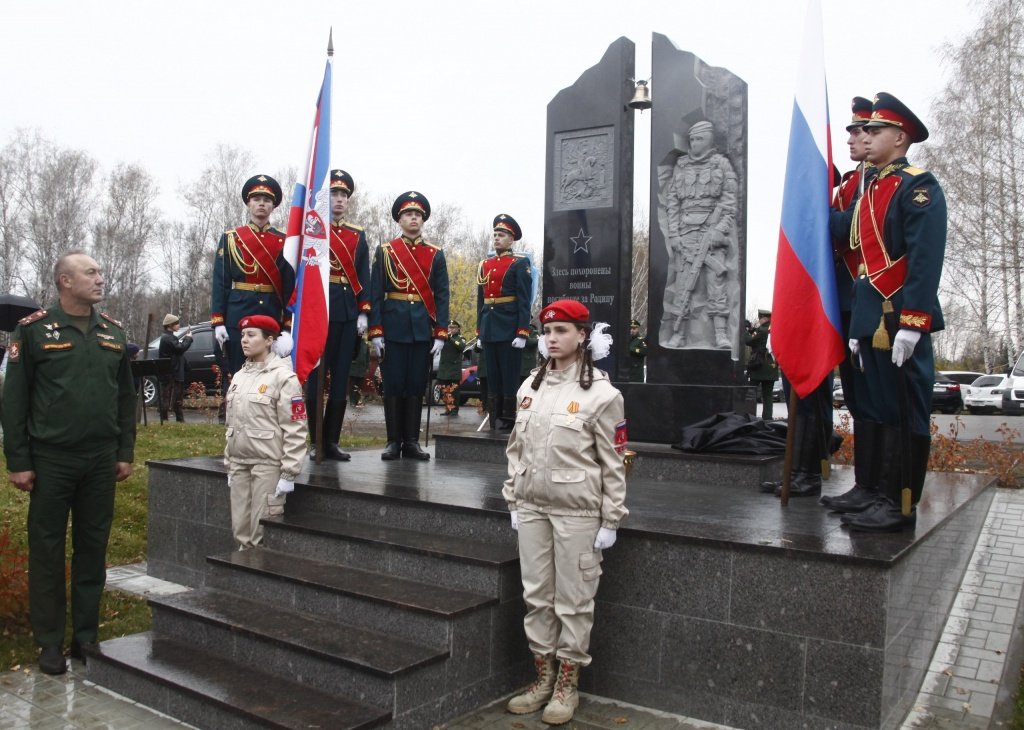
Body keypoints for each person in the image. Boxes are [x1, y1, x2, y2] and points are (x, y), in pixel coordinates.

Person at [2, 251, 136, 675]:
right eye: (91, 272)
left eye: (100, 270)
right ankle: (48, 642)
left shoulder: (113, 333)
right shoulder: (34, 332)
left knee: (92, 548)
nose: (100, 278)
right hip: (52, 459)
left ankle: (85, 637)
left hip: (99, 459)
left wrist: (124, 452)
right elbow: (15, 400)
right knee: (47, 549)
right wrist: (18, 460)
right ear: (65, 280)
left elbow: (124, 399)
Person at [502, 299, 628, 725]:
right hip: (533, 507)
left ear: (582, 337)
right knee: (537, 597)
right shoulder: (529, 388)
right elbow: (515, 450)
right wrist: (513, 498)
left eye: (563, 331)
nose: (553, 339)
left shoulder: (603, 394)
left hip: (577, 514)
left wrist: (611, 518)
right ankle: (542, 678)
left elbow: (614, 461)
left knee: (573, 602)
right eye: (548, 332)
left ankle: (566, 685)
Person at [830, 92, 947, 532]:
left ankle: (900, 503)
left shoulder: (918, 186)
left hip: (900, 316)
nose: (865, 135)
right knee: (876, 407)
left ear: (900, 138)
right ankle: (876, 491)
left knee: (903, 409)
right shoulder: (871, 188)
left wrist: (913, 321)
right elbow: (855, 248)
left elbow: (924, 257)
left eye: (875, 130)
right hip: (871, 316)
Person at [820, 96, 880, 513]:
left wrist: (820, 215)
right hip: (842, 303)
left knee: (875, 402)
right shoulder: (851, 184)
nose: (855, 138)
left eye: (864, 131)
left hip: (871, 305)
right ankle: (866, 486)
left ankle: (879, 489)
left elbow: (848, 226)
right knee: (858, 402)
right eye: (856, 130)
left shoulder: (880, 183)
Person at [368, 191, 449, 460]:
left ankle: (412, 442)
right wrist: (376, 330)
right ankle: (393, 441)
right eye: (408, 214)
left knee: (415, 384)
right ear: (399, 220)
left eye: (417, 214)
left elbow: (441, 295)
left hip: (421, 329)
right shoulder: (386, 251)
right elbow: (376, 293)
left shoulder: (435, 254)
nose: (413, 218)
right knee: (393, 384)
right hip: (392, 327)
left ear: (423, 220)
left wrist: (440, 332)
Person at [223, 315, 307, 549]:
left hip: (267, 466)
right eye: (242, 336)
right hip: (240, 464)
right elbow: (232, 423)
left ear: (269, 340)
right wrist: (229, 462)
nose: (244, 341)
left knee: (260, 534)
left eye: (251, 335)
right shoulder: (239, 376)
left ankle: (257, 579)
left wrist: (289, 472)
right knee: (240, 530)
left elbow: (295, 428)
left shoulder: (284, 378)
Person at [306, 169, 370, 461]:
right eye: (334, 193)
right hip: (319, 310)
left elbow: (364, 276)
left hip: (345, 311)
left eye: (344, 195)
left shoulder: (358, 235)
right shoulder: (313, 229)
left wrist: (363, 311)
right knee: (315, 377)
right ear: (325, 197)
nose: (340, 199)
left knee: (341, 377)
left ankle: (331, 441)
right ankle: (314, 440)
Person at [662, 120, 738, 349]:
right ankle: (679, 333)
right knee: (684, 285)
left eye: (699, 139)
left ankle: (720, 334)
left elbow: (730, 203)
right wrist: (674, 235)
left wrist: (719, 230)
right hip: (686, 234)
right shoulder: (681, 166)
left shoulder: (721, 165)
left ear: (709, 140)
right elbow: (672, 203)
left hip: (712, 234)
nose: (694, 144)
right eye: (692, 140)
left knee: (717, 283)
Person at [211, 174, 295, 377]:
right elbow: (220, 282)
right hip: (237, 313)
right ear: (248, 203)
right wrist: (218, 321)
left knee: (268, 374)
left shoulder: (284, 242)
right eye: (257, 199)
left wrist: (287, 326)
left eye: (267, 200)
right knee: (236, 374)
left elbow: (289, 287)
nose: (262, 204)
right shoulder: (232, 238)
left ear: (273, 206)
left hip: (270, 312)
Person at [477, 214, 532, 430]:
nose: (497, 238)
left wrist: (522, 331)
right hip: (490, 326)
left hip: (509, 327)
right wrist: (479, 331)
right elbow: (481, 300)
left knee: (509, 375)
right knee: (493, 375)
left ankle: (508, 419)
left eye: (502, 235)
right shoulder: (485, 264)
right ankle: (494, 417)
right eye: (495, 235)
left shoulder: (519, 263)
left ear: (512, 239)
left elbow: (524, 300)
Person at [157, 313, 193, 423]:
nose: (178, 325)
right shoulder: (168, 338)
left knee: (177, 397)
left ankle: (178, 420)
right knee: (167, 397)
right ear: (170, 325)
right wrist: (188, 338)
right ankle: (165, 420)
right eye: (176, 323)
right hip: (171, 373)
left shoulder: (170, 337)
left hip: (174, 372)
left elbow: (178, 352)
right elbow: (180, 349)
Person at [744, 310, 777, 419]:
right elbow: (759, 339)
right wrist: (751, 330)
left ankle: (748, 416)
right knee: (767, 396)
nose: (759, 320)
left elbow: (749, 341)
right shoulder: (773, 330)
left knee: (751, 393)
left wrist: (744, 330)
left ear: (765, 318)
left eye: (760, 318)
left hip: (759, 366)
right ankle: (768, 419)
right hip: (771, 367)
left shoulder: (762, 330)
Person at [436, 320, 466, 416]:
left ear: (458, 329)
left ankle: (454, 410)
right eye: (449, 327)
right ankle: (448, 409)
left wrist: (450, 339)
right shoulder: (444, 338)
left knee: (454, 392)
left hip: (454, 370)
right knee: (444, 391)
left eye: (453, 327)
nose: (451, 329)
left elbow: (461, 346)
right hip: (444, 369)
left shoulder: (460, 338)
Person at [349, 334, 369, 408]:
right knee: (353, 385)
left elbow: (367, 357)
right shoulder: (353, 343)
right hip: (354, 368)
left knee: (359, 386)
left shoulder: (365, 345)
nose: (363, 336)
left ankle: (357, 401)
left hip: (362, 369)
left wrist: (367, 367)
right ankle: (352, 401)